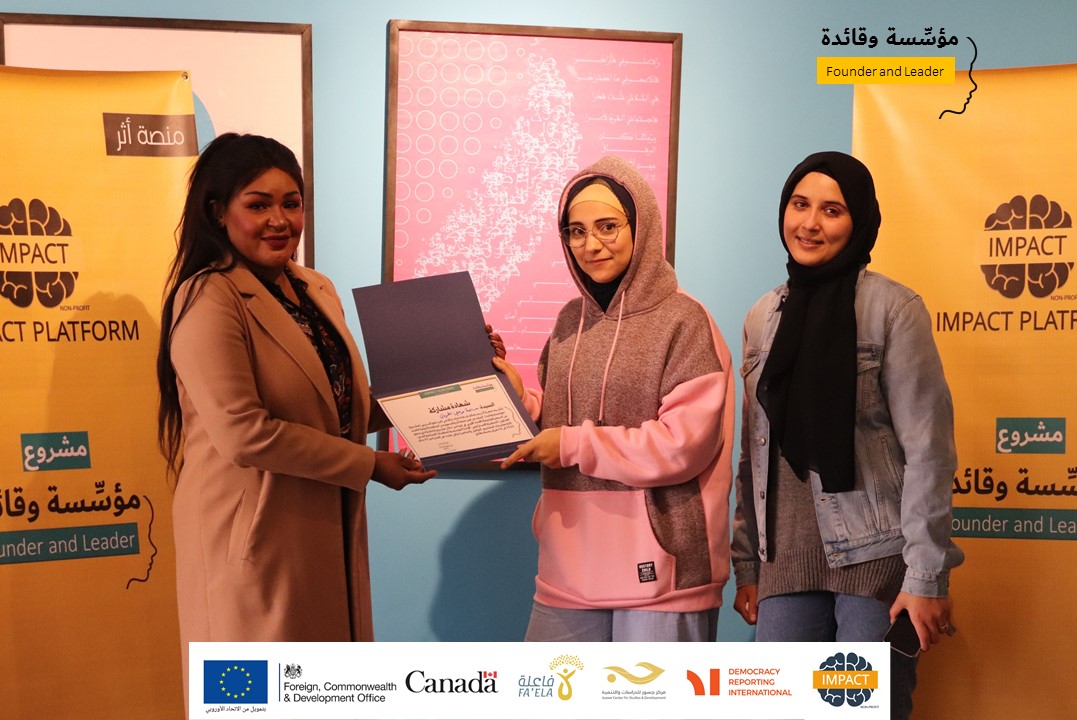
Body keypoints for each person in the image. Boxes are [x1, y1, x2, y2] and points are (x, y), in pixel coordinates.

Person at [155, 133, 436, 698]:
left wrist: (451, 370)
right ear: (218, 211)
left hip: (323, 535)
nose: (279, 220)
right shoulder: (208, 298)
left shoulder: (314, 288)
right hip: (254, 543)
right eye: (258, 204)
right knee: (255, 701)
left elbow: (338, 406)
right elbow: (245, 434)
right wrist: (370, 465)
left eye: (292, 203)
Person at [730, 151, 964, 718]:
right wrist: (748, 564)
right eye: (799, 205)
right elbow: (753, 453)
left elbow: (928, 452)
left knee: (859, 712)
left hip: (875, 561)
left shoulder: (893, 309)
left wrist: (925, 576)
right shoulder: (763, 316)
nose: (810, 223)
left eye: (831, 210)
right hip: (784, 564)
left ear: (858, 221)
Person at [495, 155, 735, 641]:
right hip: (567, 568)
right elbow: (561, 420)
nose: (591, 244)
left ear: (641, 225)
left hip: (662, 575)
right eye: (576, 231)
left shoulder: (684, 320)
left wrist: (571, 445)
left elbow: (682, 446)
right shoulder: (569, 321)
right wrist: (521, 403)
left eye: (607, 226)